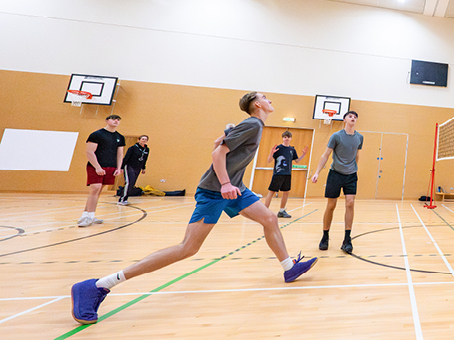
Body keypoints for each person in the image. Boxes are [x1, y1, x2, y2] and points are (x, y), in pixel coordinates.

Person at [70, 92, 317, 325]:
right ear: (258, 105)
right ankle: (98, 286)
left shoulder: (253, 126)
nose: (269, 99)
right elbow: (217, 154)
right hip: (216, 190)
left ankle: (288, 267)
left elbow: (218, 143)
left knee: (270, 219)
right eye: (264, 97)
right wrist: (225, 182)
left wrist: (228, 143)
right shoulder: (252, 124)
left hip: (236, 188)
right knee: (188, 247)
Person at [310, 111, 363, 253]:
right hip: (335, 174)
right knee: (331, 205)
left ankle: (347, 239)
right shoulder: (336, 136)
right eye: (350, 116)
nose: (353, 118)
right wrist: (317, 172)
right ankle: (325, 236)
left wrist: (355, 169)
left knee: (350, 203)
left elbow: (357, 155)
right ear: (345, 119)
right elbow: (325, 155)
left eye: (355, 117)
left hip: (351, 175)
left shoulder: (359, 137)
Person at [78, 115, 125, 227]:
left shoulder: (120, 137)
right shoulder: (97, 134)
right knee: (95, 188)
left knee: (97, 192)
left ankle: (86, 215)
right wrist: (97, 167)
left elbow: (120, 154)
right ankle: (90, 216)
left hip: (110, 167)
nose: (116, 121)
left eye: (118, 119)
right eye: (113, 119)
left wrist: (118, 168)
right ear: (107, 121)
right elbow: (90, 152)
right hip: (96, 167)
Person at [264, 131, 308, 218]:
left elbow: (297, 160)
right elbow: (269, 161)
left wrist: (304, 154)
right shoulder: (278, 148)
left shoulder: (292, 150)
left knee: (286, 192)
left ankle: (281, 211)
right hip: (278, 173)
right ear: (282, 138)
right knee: (272, 191)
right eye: (285, 137)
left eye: (288, 137)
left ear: (291, 138)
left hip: (287, 174)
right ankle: (264, 211)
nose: (286, 138)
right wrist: (271, 153)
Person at [118, 135, 149, 206]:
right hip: (129, 166)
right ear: (139, 140)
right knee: (129, 182)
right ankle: (121, 199)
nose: (144, 140)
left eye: (145, 139)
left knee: (132, 184)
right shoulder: (133, 148)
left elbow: (145, 159)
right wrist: (122, 167)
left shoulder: (146, 150)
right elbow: (126, 157)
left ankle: (126, 199)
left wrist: (143, 168)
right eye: (142, 139)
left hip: (138, 168)